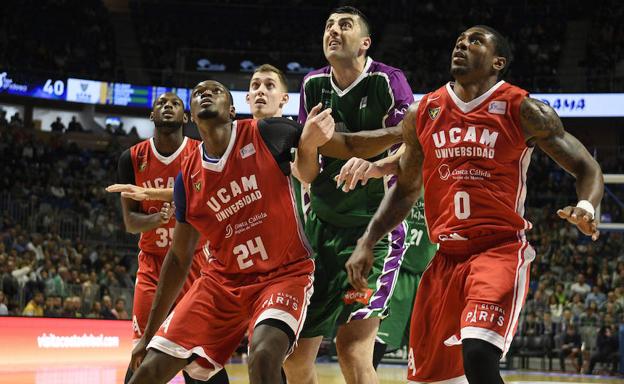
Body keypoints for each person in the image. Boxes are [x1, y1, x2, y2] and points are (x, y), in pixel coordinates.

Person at [339, 25, 603, 383]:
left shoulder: (523, 109)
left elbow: (586, 166)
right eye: (459, 42)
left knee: (479, 355)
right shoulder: (425, 111)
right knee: (433, 379)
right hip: (445, 257)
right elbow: (405, 190)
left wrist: (586, 206)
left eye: (475, 41)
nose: (462, 46)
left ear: (499, 61)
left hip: (498, 252)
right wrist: (368, 241)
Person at [125, 79, 334, 384]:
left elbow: (332, 150)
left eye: (215, 90)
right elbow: (179, 257)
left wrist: (393, 140)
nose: (205, 93)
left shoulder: (269, 132)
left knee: (262, 356)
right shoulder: (188, 180)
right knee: (147, 372)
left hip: (283, 274)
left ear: (233, 110)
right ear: (192, 116)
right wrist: (146, 335)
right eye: (197, 93)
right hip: (221, 283)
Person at [284, 7, 414, 384]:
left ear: (365, 43)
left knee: (353, 349)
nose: (333, 31)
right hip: (321, 230)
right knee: (295, 357)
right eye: (328, 25)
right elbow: (306, 170)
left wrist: (377, 162)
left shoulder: (388, 81)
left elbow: (413, 142)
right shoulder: (312, 85)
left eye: (345, 25)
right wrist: (307, 146)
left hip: (372, 233)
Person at [114, 92, 229, 384]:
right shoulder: (131, 157)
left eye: (175, 103)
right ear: (152, 115)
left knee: (199, 360)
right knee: (143, 354)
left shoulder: (201, 152)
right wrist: (158, 219)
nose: (167, 106)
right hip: (153, 267)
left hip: (197, 265)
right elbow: (130, 222)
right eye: (160, 104)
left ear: (187, 117)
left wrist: (161, 199)